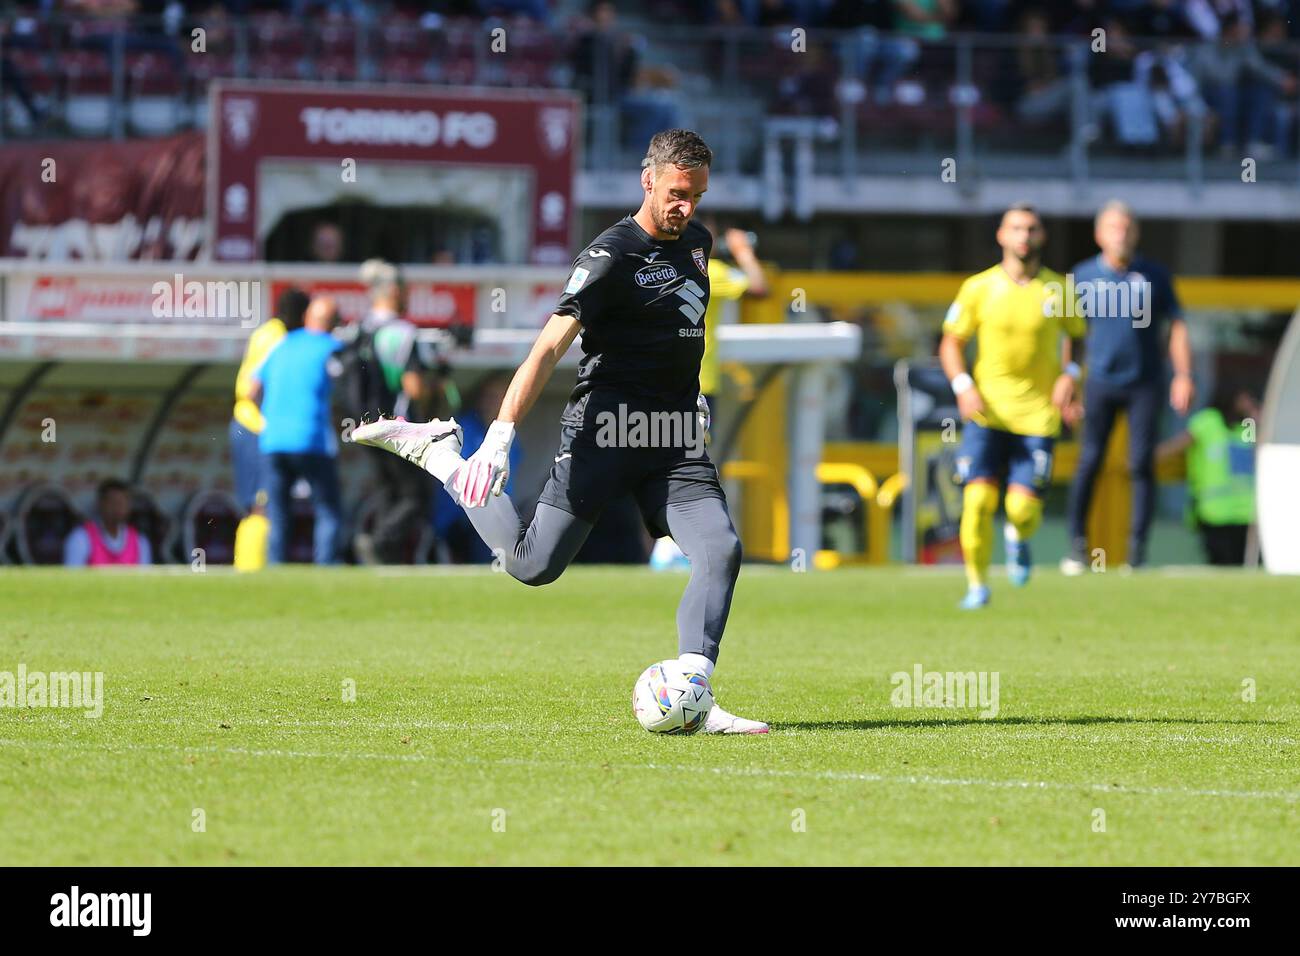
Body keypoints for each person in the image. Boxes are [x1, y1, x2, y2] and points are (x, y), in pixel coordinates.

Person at [353, 129, 764, 734]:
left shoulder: (698, 244)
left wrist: (693, 399)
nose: (687, 208)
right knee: (532, 565)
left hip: (673, 438)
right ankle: (444, 457)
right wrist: (500, 435)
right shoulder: (608, 255)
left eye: (697, 196)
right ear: (648, 180)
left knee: (721, 548)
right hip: (605, 430)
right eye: (678, 193)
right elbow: (548, 347)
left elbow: (683, 334)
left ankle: (693, 694)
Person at [939, 203, 1084, 609]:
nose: (1024, 236)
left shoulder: (1059, 290)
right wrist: (963, 385)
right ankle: (977, 586)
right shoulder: (978, 288)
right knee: (979, 501)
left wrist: (1070, 375)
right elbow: (951, 343)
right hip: (988, 413)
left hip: (1037, 417)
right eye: (1016, 228)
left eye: (1032, 229)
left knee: (1020, 510)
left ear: (1042, 237)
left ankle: (1018, 539)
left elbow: (1078, 338)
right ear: (1001, 236)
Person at [1062, 201, 1193, 574]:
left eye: (1127, 227)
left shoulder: (1154, 275)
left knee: (1140, 464)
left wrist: (1183, 375)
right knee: (1089, 462)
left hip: (1145, 383)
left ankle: (1136, 552)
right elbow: (1070, 334)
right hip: (1100, 381)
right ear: (1099, 234)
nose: (1121, 233)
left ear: (1135, 233)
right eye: (1113, 227)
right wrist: (1070, 381)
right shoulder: (1083, 276)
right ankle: (1076, 548)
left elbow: (1177, 326)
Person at [339, 259, 438, 564]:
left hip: (361, 424)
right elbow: (414, 388)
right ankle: (381, 542)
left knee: (388, 491)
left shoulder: (358, 329)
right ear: (394, 291)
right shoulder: (403, 332)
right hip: (396, 426)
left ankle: (383, 556)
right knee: (416, 495)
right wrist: (438, 380)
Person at [251, 296, 344, 565]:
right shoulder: (333, 347)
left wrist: (271, 417)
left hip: (273, 440)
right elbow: (348, 388)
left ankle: (275, 570)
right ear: (334, 324)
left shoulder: (282, 345)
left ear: (307, 318)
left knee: (278, 513)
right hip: (311, 439)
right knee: (328, 510)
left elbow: (251, 390)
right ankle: (326, 569)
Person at [231, 287, 309, 569]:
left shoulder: (267, 332)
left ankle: (254, 567)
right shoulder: (277, 337)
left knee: (261, 504)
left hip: (251, 425)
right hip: (254, 427)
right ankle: (251, 570)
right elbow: (254, 389)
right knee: (260, 504)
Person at [1158, 387, 1259, 565]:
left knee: (1247, 568)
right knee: (1223, 566)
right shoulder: (1208, 422)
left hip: (1247, 514)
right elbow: (1175, 447)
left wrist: (1254, 414)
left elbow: (1263, 443)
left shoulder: (1246, 426)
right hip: (1215, 513)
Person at [432, 373, 521, 564]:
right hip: (459, 516)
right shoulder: (463, 429)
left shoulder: (511, 438)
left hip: (496, 515)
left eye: (499, 397)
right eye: (488, 396)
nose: (492, 403)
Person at [64, 478, 153, 567]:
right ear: (100, 504)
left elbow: (145, 578)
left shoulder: (140, 541)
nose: (118, 508)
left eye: (122, 503)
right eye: (113, 502)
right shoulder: (80, 537)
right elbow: (72, 576)